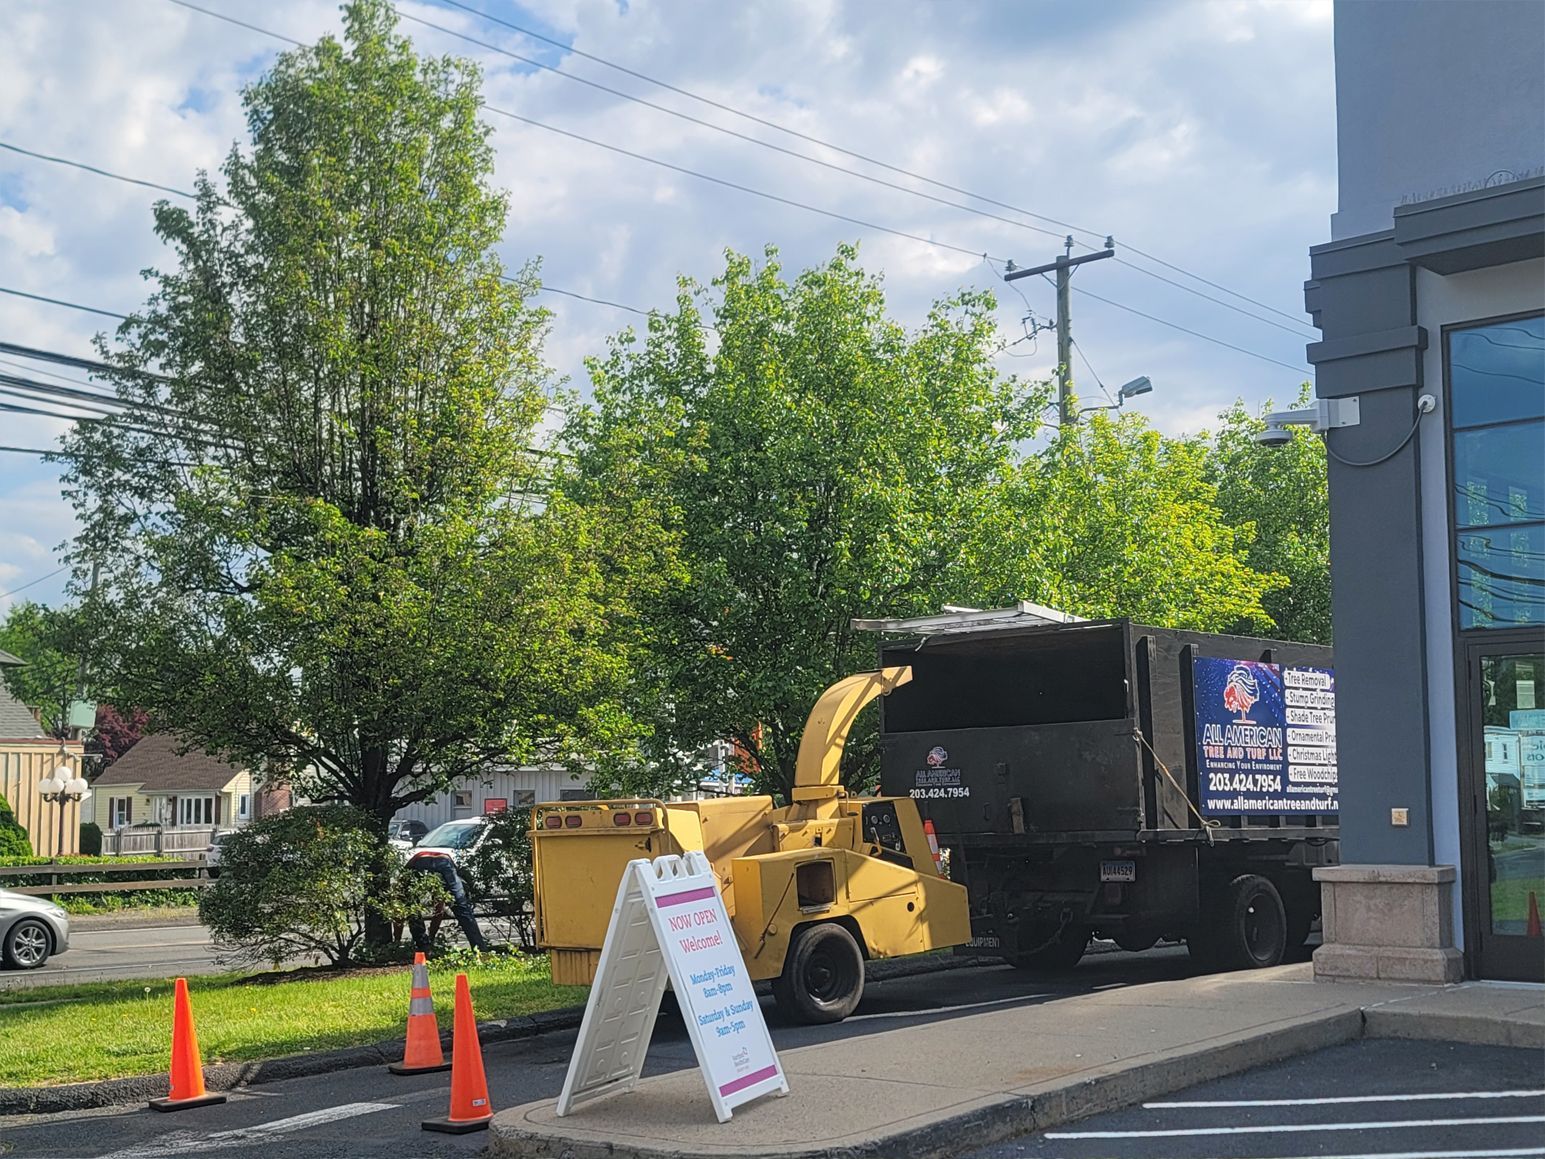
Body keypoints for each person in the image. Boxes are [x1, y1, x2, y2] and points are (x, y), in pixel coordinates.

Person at [406, 853, 491, 953]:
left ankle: (423, 946)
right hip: (444, 861)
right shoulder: (450, 871)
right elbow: (438, 911)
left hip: (419, 861)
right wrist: (432, 936)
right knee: (462, 907)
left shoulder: (410, 868)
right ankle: (480, 949)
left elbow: (438, 910)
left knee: (411, 905)